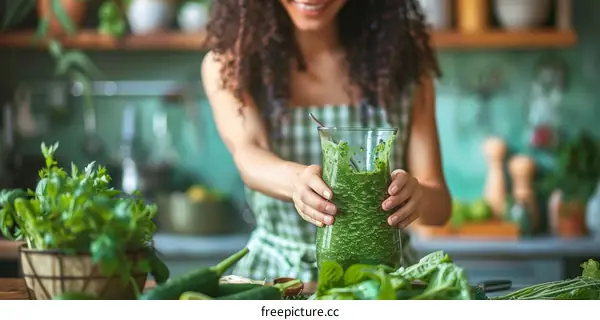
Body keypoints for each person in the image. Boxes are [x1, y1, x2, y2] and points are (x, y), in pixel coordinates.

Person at [201, 0, 452, 283]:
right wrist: (297, 181)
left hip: (384, 281)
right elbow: (249, 154)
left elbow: (440, 207)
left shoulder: (404, 65)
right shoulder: (233, 65)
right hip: (277, 279)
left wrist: (417, 197)